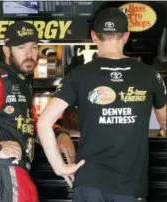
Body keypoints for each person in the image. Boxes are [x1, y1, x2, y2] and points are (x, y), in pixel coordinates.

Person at [37, 7, 166, 202]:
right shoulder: (149, 75)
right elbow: (165, 122)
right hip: (129, 184)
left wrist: (59, 167)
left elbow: (43, 123)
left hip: (88, 181)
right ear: (126, 36)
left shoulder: (79, 75)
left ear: (94, 37)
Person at [0, 21, 75, 202]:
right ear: (7, 51)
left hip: (14, 172)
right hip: (2, 172)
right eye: (21, 47)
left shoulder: (20, 80)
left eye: (34, 47)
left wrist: (57, 133)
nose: (29, 54)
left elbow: (25, 122)